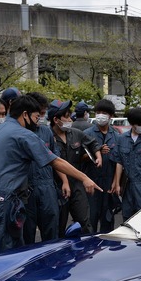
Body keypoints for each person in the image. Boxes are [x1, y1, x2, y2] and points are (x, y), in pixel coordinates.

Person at [0, 95, 102, 259]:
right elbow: (55, 161)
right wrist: (84, 178)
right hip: (1, 202)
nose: (38, 121)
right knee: (8, 258)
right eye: (36, 117)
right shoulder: (23, 134)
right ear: (25, 114)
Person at [49, 99, 102, 235]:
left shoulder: (75, 133)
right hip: (57, 186)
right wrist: (64, 181)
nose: (69, 119)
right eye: (66, 116)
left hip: (77, 183)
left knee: (84, 222)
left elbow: (92, 143)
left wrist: (98, 156)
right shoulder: (48, 136)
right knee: (58, 226)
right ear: (56, 119)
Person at [23, 92, 62, 244]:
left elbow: (56, 159)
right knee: (27, 234)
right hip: (26, 189)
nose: (41, 117)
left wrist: (64, 181)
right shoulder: (19, 132)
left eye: (43, 114)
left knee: (51, 231)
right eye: (39, 114)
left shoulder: (46, 131)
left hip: (47, 188)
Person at [83, 99, 120, 232]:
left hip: (109, 183)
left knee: (108, 219)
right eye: (98, 112)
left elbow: (119, 162)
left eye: (104, 113)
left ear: (111, 116)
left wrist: (116, 183)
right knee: (90, 218)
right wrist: (95, 152)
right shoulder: (87, 134)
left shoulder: (116, 135)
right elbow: (79, 158)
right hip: (92, 181)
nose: (100, 115)